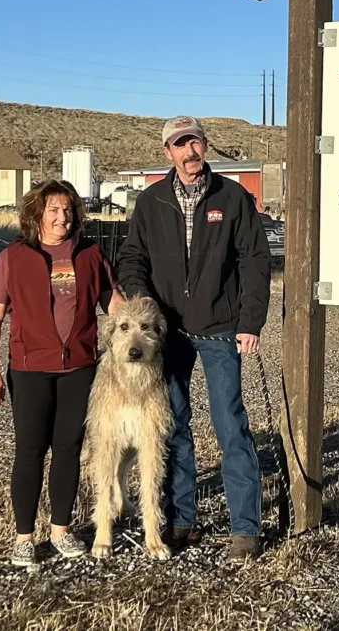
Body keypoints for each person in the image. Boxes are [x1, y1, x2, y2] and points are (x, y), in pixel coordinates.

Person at [116, 115, 272, 562]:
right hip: (168, 333)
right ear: (167, 152)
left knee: (231, 426)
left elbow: (255, 262)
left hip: (221, 328)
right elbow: (132, 259)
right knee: (174, 426)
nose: (190, 153)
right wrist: (143, 302)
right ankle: (182, 519)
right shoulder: (150, 203)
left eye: (196, 143)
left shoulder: (233, 197)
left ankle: (245, 528)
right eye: (180, 145)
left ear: (205, 147)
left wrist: (249, 322)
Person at [0, 179, 123, 568]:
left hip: (79, 368)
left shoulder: (91, 255)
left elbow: (118, 310)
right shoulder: (14, 257)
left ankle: (60, 530)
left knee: (68, 450)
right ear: (37, 215)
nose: (62, 218)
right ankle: (25, 538)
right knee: (29, 452)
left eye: (68, 210)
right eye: (53, 210)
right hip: (29, 370)